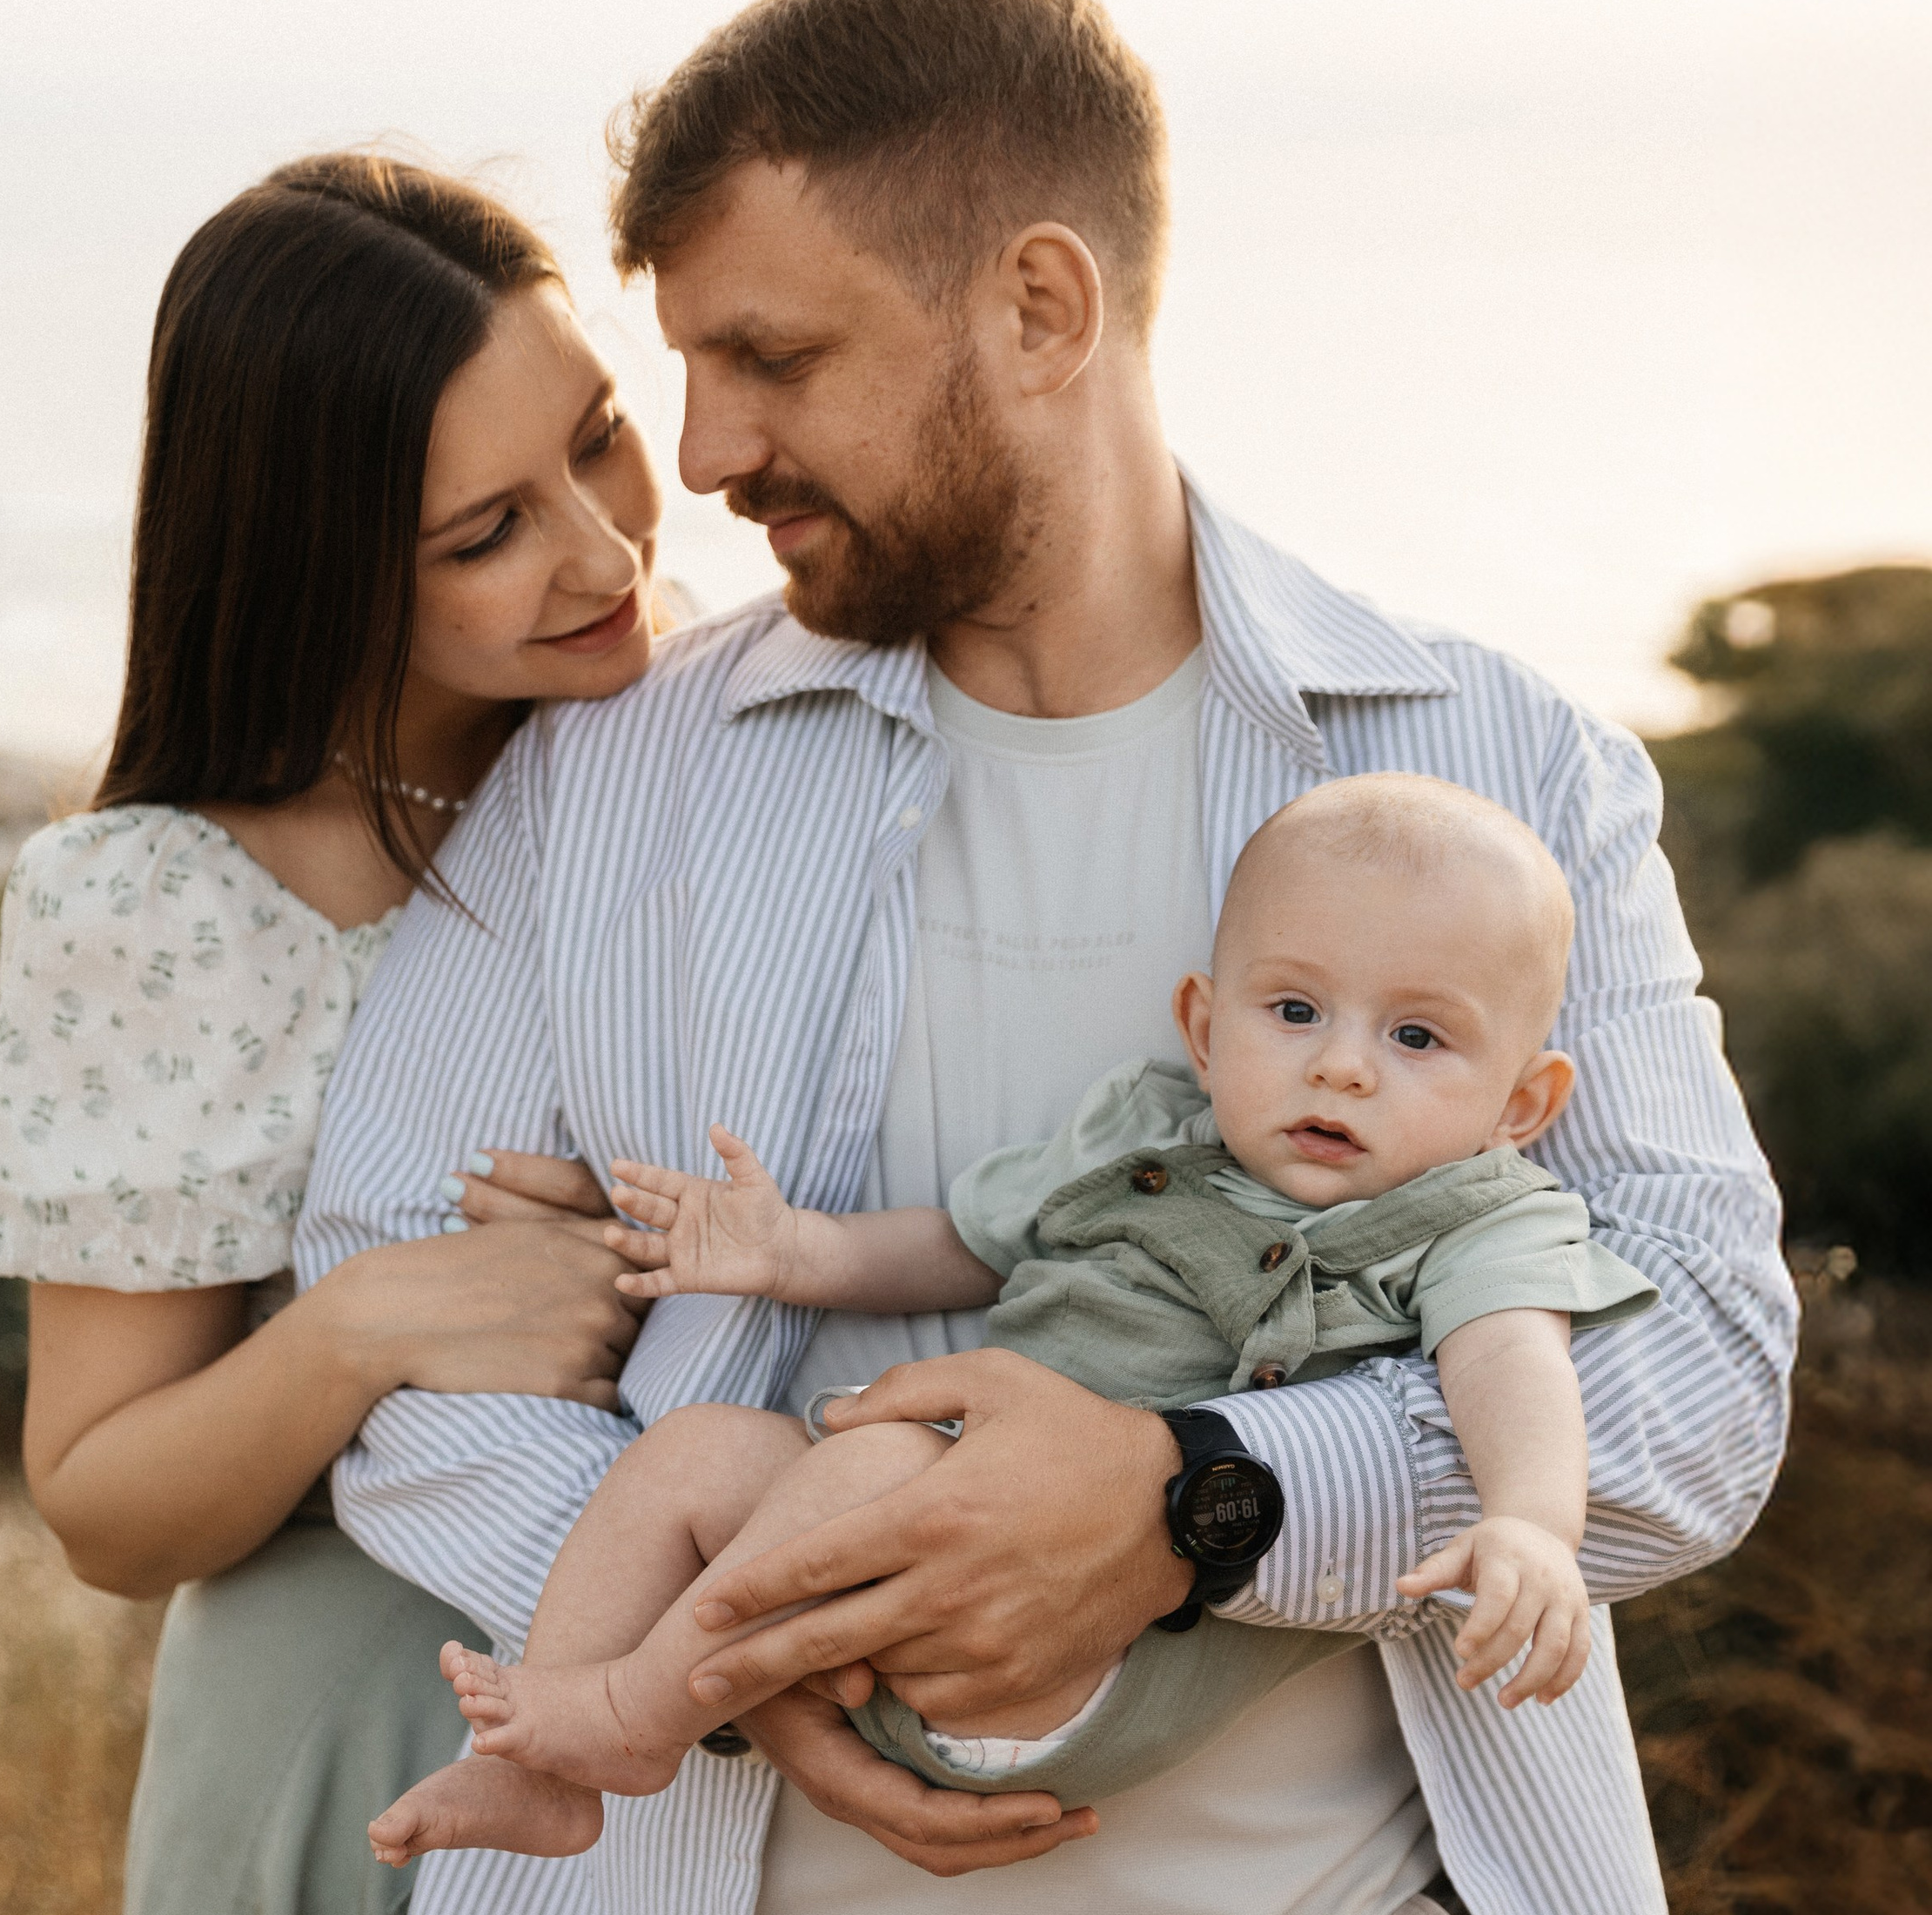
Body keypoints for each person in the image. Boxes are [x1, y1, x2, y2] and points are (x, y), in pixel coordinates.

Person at [300, 0, 1815, 1915]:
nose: (706, 455)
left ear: (1040, 304)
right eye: (692, 367)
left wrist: (1198, 1517)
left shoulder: (1497, 766)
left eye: (769, 358)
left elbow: (1698, 1370)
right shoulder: (605, 797)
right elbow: (393, 1342)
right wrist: (760, 1644)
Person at [0, 145, 1089, 1915]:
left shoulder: (684, 746)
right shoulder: (166, 896)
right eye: (488, 528)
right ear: (321, 559)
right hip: (368, 1736)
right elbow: (105, 1505)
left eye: (601, 436)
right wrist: (373, 1325)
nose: (603, 541)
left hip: (730, 1639)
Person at [372, 769, 1660, 1856]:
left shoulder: (1475, 1218)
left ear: (1523, 1105)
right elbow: (965, 1244)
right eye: (1294, 1010)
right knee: (702, 1446)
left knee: (881, 1459)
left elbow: (1512, 1362)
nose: (1342, 1062)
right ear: (1205, 1028)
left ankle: (634, 1719)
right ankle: (544, 1769)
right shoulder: (1145, 1133)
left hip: (1088, 1661)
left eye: (1420, 1038)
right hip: (898, 1581)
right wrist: (791, 1252)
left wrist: (1533, 1526)